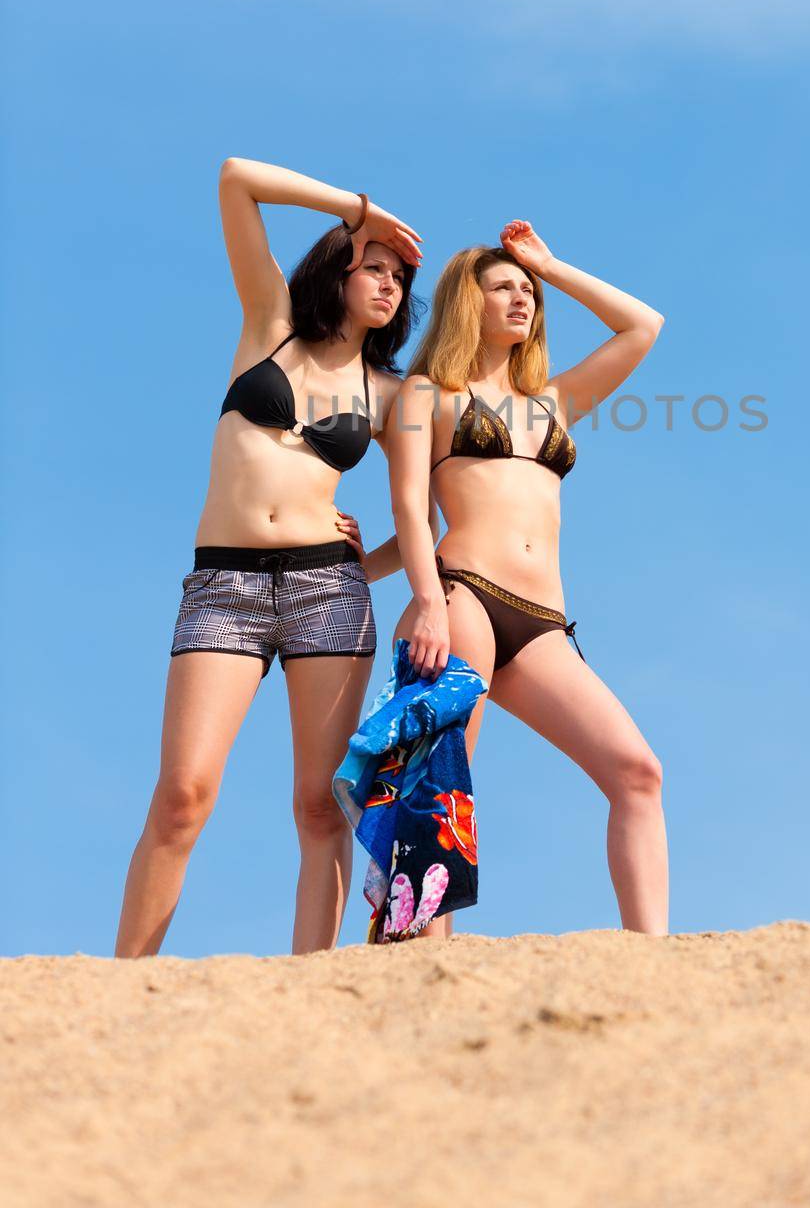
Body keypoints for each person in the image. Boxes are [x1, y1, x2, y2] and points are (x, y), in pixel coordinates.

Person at [115, 158, 426, 957]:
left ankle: (312, 984)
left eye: (399, 276)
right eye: (374, 266)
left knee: (321, 806)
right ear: (337, 269)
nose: (388, 283)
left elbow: (426, 511)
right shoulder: (269, 326)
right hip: (224, 585)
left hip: (329, 589)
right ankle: (122, 981)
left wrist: (377, 568)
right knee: (182, 796)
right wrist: (364, 209)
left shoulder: (390, 394)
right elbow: (234, 180)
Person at [386, 219, 668, 937]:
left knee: (637, 772)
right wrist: (422, 599)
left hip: (543, 622)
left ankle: (657, 964)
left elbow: (641, 326)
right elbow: (411, 515)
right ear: (465, 303)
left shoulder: (554, 402)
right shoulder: (427, 394)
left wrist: (549, 263)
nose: (522, 300)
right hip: (462, 595)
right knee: (440, 788)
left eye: (527, 292)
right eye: (504, 287)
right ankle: (417, 959)